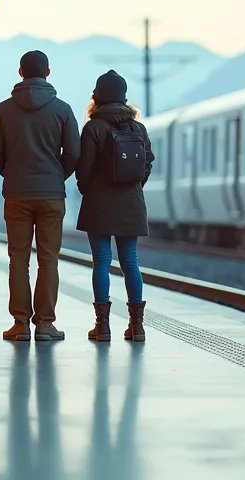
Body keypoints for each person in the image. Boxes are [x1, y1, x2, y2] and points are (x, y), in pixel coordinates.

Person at [0, 50, 80, 342]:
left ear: (20, 73)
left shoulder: (3, 109)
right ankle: (45, 324)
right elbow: (75, 153)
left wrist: (12, 174)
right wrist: (56, 175)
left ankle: (19, 324)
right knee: (48, 259)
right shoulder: (63, 110)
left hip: (16, 193)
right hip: (52, 194)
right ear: (48, 73)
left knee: (18, 259)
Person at [75, 70, 153, 342]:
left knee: (102, 262)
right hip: (131, 203)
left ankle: (103, 327)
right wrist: (133, 189)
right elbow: (147, 165)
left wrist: (88, 189)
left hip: (99, 204)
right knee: (131, 262)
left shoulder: (93, 127)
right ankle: (137, 326)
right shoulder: (138, 128)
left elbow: (83, 169)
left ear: (97, 97)